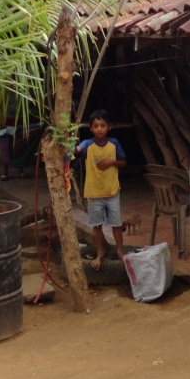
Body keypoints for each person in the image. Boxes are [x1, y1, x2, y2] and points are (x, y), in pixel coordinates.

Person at [75, 110, 127, 270]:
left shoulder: (114, 143)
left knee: (116, 224)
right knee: (97, 226)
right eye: (96, 126)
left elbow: (123, 162)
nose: (99, 129)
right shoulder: (87, 144)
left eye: (102, 125)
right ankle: (100, 252)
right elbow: (77, 150)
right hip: (94, 193)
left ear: (109, 127)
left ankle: (120, 251)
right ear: (91, 128)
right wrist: (72, 144)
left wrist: (112, 162)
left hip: (112, 191)